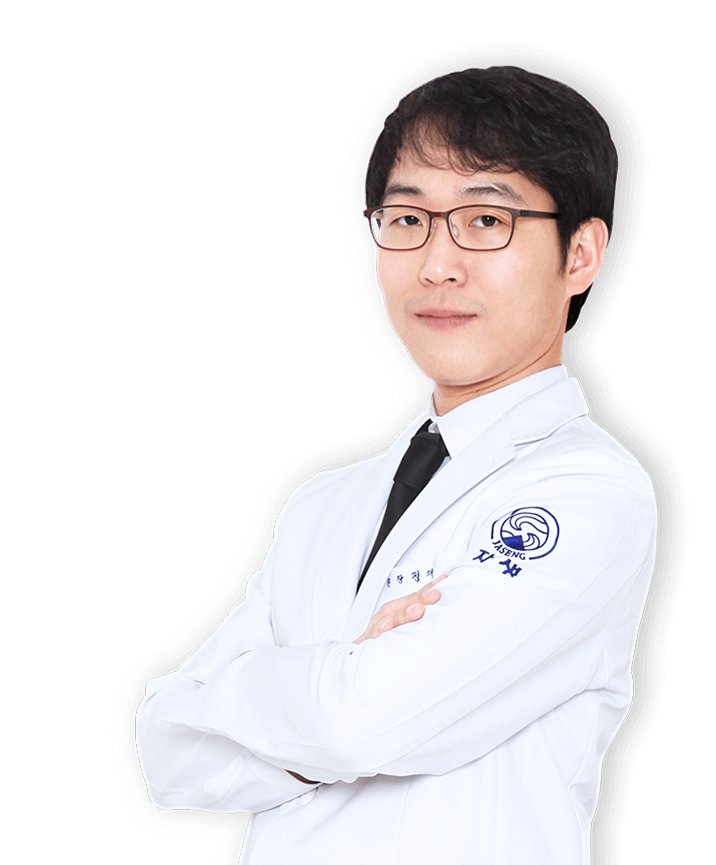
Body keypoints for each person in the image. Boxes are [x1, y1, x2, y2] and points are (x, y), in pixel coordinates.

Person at [136, 66, 657, 864]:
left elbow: (364, 723)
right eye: (408, 218)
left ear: (580, 253)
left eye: (486, 219)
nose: (437, 264)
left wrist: (270, 699)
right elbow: (165, 746)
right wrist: (348, 677)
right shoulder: (322, 502)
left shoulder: (591, 492)